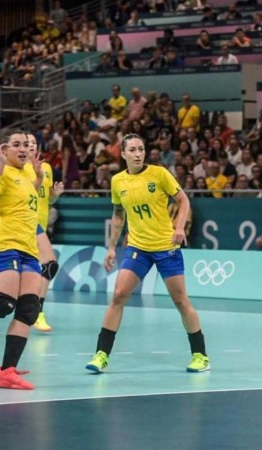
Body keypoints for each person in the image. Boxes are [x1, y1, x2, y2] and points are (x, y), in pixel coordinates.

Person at [85, 134, 210, 373]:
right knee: (119, 296)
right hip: (138, 248)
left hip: (166, 248)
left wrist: (180, 227)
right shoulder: (117, 181)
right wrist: (112, 247)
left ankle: (201, 356)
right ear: (123, 154)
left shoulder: (159, 174)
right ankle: (101, 355)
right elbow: (118, 214)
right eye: (132, 150)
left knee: (181, 301)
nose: (138, 154)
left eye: (141, 149)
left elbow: (184, 201)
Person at [0, 130, 44, 389]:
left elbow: (28, 200)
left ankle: (6, 371)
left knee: (29, 309)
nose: (23, 149)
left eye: (26, 145)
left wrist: (41, 178)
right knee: (2, 304)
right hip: (4, 244)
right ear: (5, 150)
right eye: (16, 145)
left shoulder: (29, 173)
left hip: (29, 248)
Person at [24, 133, 64, 332]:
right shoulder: (19, 168)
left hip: (39, 226)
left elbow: (46, 200)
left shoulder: (47, 168)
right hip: (22, 223)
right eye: (26, 143)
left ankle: (37, 312)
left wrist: (54, 196)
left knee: (49, 266)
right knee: (13, 275)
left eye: (33, 143)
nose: (30, 146)